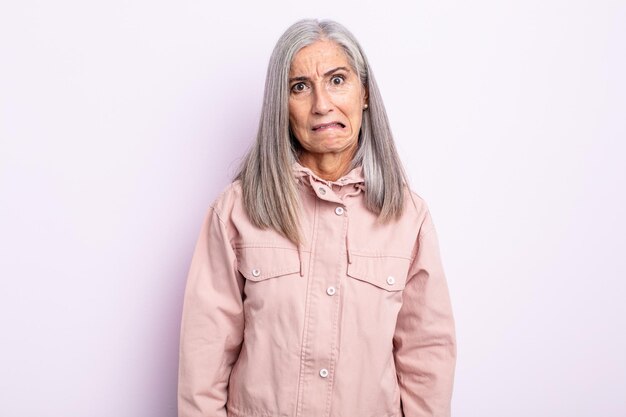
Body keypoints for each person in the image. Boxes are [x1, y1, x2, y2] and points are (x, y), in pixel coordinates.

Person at [178, 18, 456, 417]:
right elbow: (203, 360)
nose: (322, 104)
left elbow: (427, 357)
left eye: (337, 80)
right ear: (281, 105)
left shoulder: (408, 218)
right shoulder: (238, 211)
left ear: (364, 94)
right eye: (300, 87)